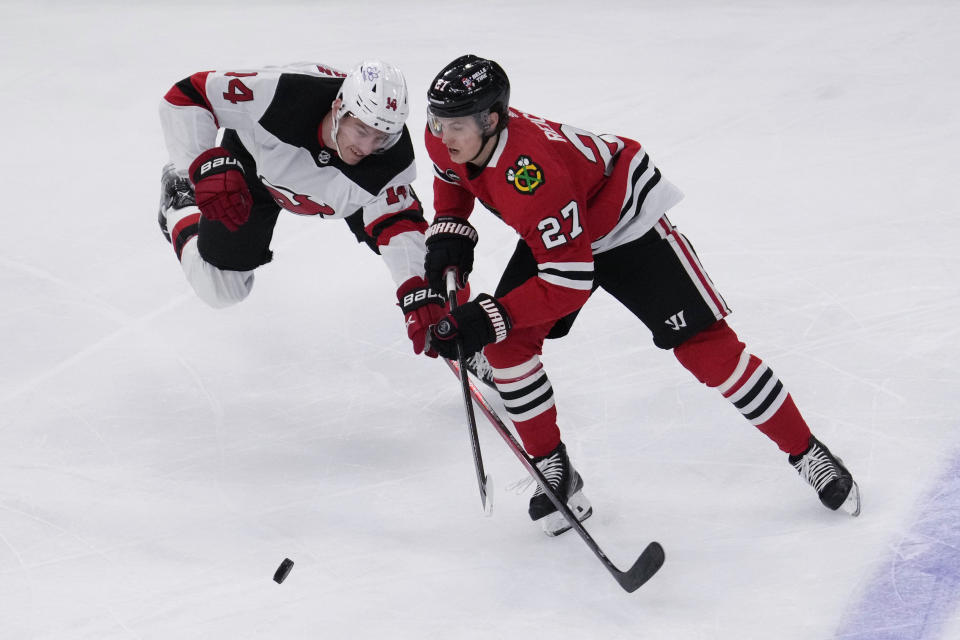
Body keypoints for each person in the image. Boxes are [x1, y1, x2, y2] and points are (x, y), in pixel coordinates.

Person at [421, 54, 861, 536]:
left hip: (625, 223)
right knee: (507, 347)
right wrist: (450, 230)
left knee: (708, 352)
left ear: (492, 118)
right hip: (564, 230)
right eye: (437, 121)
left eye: (455, 125)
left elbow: (567, 282)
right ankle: (556, 471)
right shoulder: (447, 137)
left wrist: (487, 317)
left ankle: (808, 451)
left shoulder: (533, 173)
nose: (442, 135)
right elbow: (451, 177)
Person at [156, 59, 450, 363]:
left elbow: (399, 225)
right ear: (338, 107)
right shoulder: (283, 92)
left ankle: (468, 339)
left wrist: (419, 292)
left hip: (337, 187)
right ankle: (181, 200)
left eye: (381, 137)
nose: (366, 148)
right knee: (221, 289)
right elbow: (189, 95)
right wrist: (202, 163)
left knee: (436, 267)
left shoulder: (388, 157)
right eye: (361, 130)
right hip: (254, 168)